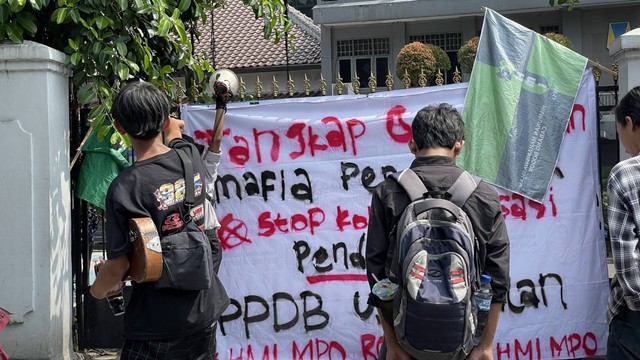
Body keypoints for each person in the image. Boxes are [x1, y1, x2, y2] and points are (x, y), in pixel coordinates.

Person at [90, 81, 229, 360]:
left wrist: (97, 290)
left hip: (156, 325)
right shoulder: (188, 156)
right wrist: (170, 123)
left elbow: (119, 265)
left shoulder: (124, 188)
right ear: (165, 121)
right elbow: (177, 131)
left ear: (119, 127)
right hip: (204, 312)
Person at [365, 103, 510, 360]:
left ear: (412, 145)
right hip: (465, 341)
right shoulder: (484, 195)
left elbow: (377, 273)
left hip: (405, 340)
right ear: (459, 145)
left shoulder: (387, 192)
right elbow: (498, 274)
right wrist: (485, 345)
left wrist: (394, 345)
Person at [606, 85, 640, 360]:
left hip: (634, 320)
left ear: (629, 123)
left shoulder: (625, 174)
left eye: (620, 134)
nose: (624, 146)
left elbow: (625, 257)